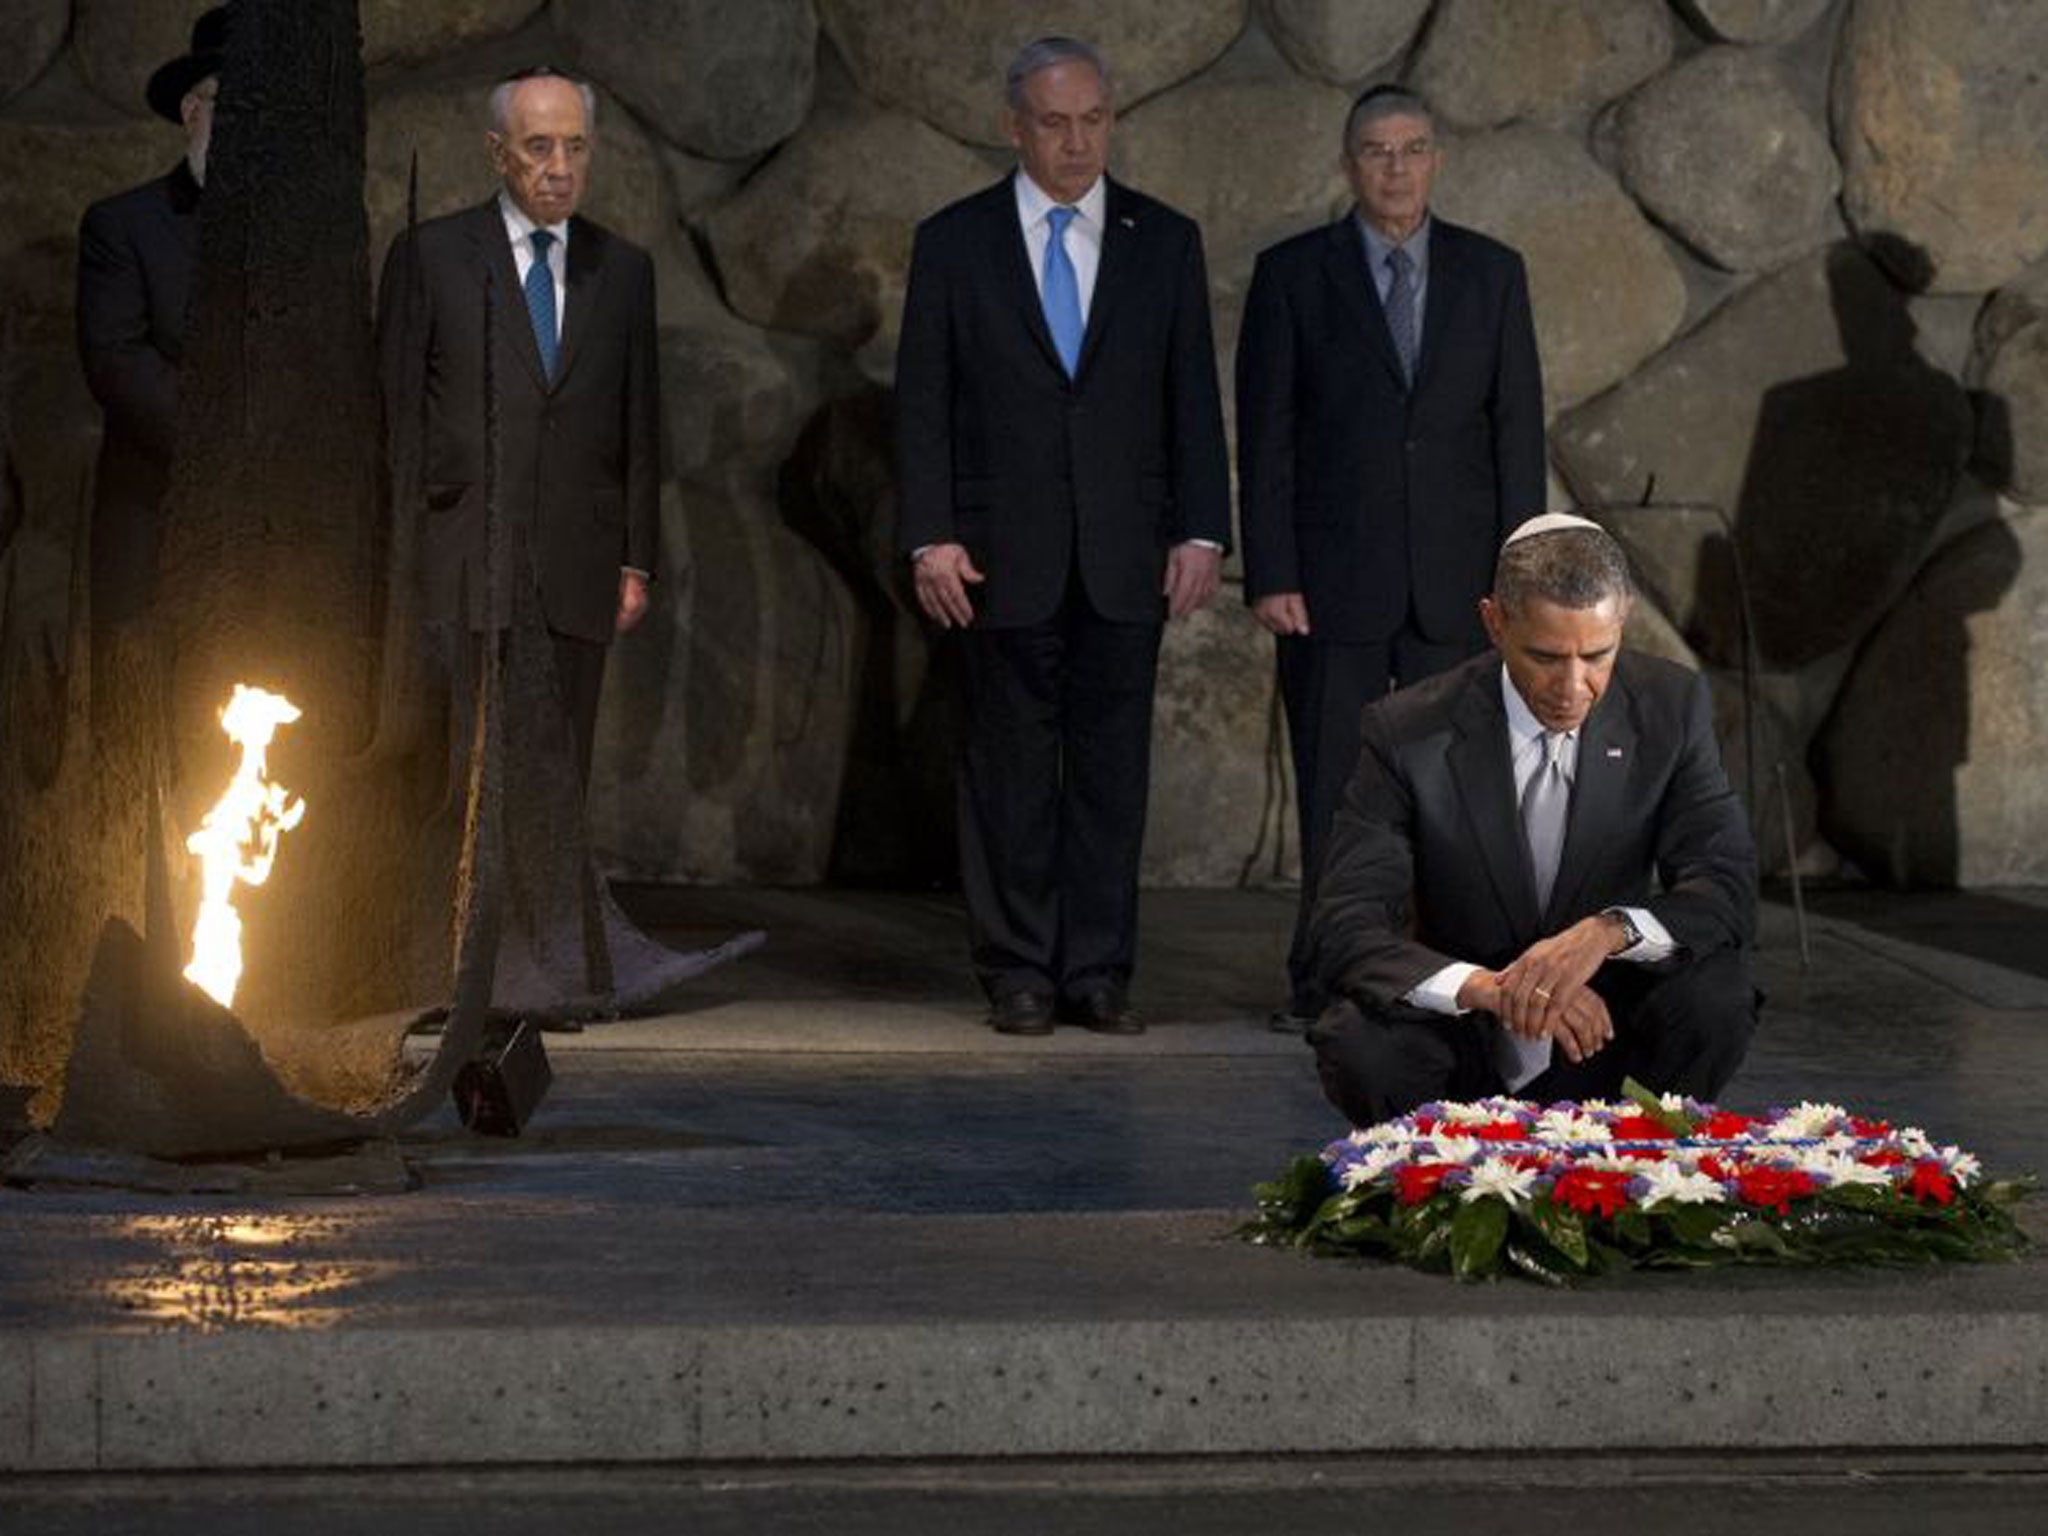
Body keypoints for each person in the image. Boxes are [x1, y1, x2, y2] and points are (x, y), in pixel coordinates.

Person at [893, 36, 1231, 1036]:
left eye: (1091, 119)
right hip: (998, 556)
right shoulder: (954, 241)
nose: (1075, 140)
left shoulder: (1161, 239)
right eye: (1053, 121)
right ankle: (1017, 971)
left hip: (1126, 557)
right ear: (1013, 126)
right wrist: (928, 537)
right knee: (1005, 770)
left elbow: (1188, 401)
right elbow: (922, 402)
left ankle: (1097, 972)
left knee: (1110, 772)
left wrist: (1201, 532)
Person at [1235, 83, 1546, 1033]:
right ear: (1349, 163)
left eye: (1413, 149)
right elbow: (1267, 435)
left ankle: (1446, 981)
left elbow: (1515, 435)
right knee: (1338, 790)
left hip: (1459, 588)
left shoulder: (1493, 274)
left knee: (1457, 796)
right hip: (1331, 587)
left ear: (1436, 160)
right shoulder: (1294, 274)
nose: (1396, 168)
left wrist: (1519, 585)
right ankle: (1326, 979)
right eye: (1377, 151)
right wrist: (1274, 570)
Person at [1307, 514, 1758, 1127]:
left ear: (1622, 616)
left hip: (1603, 1031)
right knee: (1359, 1042)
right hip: (1462, 1037)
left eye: (1598, 655)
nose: (1573, 686)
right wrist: (1496, 989)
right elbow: (1344, 925)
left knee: (1716, 995)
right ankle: (1429, 1181)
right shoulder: (1405, 731)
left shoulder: (1673, 707)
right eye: (1545, 657)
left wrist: (1605, 933)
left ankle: (1642, 1168)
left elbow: (1724, 891)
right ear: (1494, 622)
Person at [375, 65, 658, 787]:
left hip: (576, 564)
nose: (559, 169)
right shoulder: (432, 257)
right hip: (462, 559)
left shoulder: (622, 270)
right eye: (538, 147)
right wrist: (394, 552)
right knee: (457, 775)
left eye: (575, 147)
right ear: (497, 151)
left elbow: (639, 420)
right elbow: (395, 416)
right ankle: (458, 905)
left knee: (556, 772)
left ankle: (549, 903)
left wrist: (635, 558)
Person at [76, 5, 230, 641]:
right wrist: (224, 443)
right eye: (234, 105)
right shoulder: (124, 225)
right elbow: (117, 360)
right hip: (153, 518)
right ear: (193, 111)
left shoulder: (304, 237)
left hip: (268, 531)